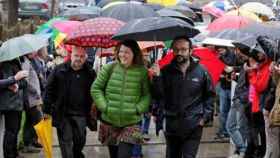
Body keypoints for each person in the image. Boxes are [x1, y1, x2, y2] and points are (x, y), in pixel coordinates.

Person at [151, 36, 215, 158]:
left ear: (190, 51)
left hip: (194, 125)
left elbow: (210, 95)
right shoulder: (165, 71)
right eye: (176, 49)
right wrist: (157, 78)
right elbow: (158, 95)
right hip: (172, 124)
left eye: (183, 49)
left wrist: (205, 117)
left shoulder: (202, 71)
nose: (179, 52)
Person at [91, 39, 151, 158]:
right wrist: (105, 107)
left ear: (134, 54)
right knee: (114, 155)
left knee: (124, 155)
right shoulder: (109, 68)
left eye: (127, 52)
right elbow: (96, 88)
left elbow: (147, 95)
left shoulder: (142, 71)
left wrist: (137, 109)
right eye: (121, 51)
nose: (122, 55)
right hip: (109, 120)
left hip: (131, 122)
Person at [44, 46, 96, 158]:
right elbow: (49, 89)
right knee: (66, 142)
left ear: (86, 57)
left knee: (80, 140)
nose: (79, 58)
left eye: (82, 56)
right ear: (71, 55)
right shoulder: (59, 70)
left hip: (81, 113)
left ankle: (77, 154)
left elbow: (96, 91)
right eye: (76, 55)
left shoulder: (90, 73)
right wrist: (47, 109)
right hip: (63, 113)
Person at [0, 60, 28, 158]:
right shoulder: (4, 64)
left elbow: (24, 83)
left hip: (17, 104)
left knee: (14, 131)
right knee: (10, 132)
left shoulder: (16, 62)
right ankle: (9, 155)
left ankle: (14, 153)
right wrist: (13, 80)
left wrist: (17, 84)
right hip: (8, 104)